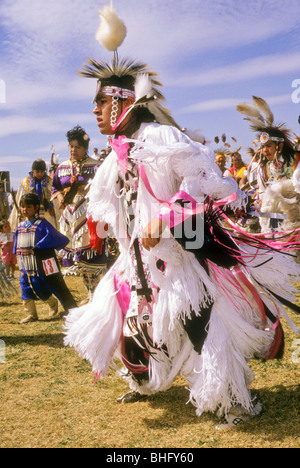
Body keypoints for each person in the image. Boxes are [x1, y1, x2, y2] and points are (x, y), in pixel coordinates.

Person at [64, 5, 300, 428]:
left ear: (123, 101)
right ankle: (141, 381)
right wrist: (100, 229)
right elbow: (110, 203)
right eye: (94, 102)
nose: (95, 110)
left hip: (178, 258)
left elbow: (208, 183)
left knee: (198, 326)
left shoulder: (161, 139)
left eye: (100, 101)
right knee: (120, 312)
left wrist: (167, 217)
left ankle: (232, 401)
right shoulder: (117, 155)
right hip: (138, 261)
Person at [51, 126, 107, 298]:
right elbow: (55, 187)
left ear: (85, 148)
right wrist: (60, 196)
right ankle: (91, 295)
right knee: (80, 262)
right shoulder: (62, 168)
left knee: (92, 260)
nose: (73, 150)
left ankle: (97, 297)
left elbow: (106, 188)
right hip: (70, 217)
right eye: (71, 146)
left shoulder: (97, 166)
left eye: (78, 147)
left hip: (90, 215)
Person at [237, 96, 300, 233]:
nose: (264, 150)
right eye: (263, 146)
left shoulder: (296, 160)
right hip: (275, 219)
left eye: (269, 146)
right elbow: (264, 191)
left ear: (280, 146)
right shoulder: (264, 167)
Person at [14, 193, 77, 324]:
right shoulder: (20, 226)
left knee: (52, 284)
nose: (25, 209)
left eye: (28, 207)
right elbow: (17, 243)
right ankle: (31, 314)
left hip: (42, 261)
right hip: (25, 262)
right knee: (25, 286)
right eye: (22, 206)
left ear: (36, 207)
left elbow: (55, 237)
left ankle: (69, 308)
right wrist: (16, 254)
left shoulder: (42, 224)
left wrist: (40, 246)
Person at [9, 158, 57, 231]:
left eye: (42, 171)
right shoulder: (26, 182)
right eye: (37, 171)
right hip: (29, 212)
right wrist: (19, 211)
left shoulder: (50, 181)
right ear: (33, 170)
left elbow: (54, 197)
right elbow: (20, 199)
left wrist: (52, 206)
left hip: (46, 211)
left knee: (48, 229)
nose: (40, 174)